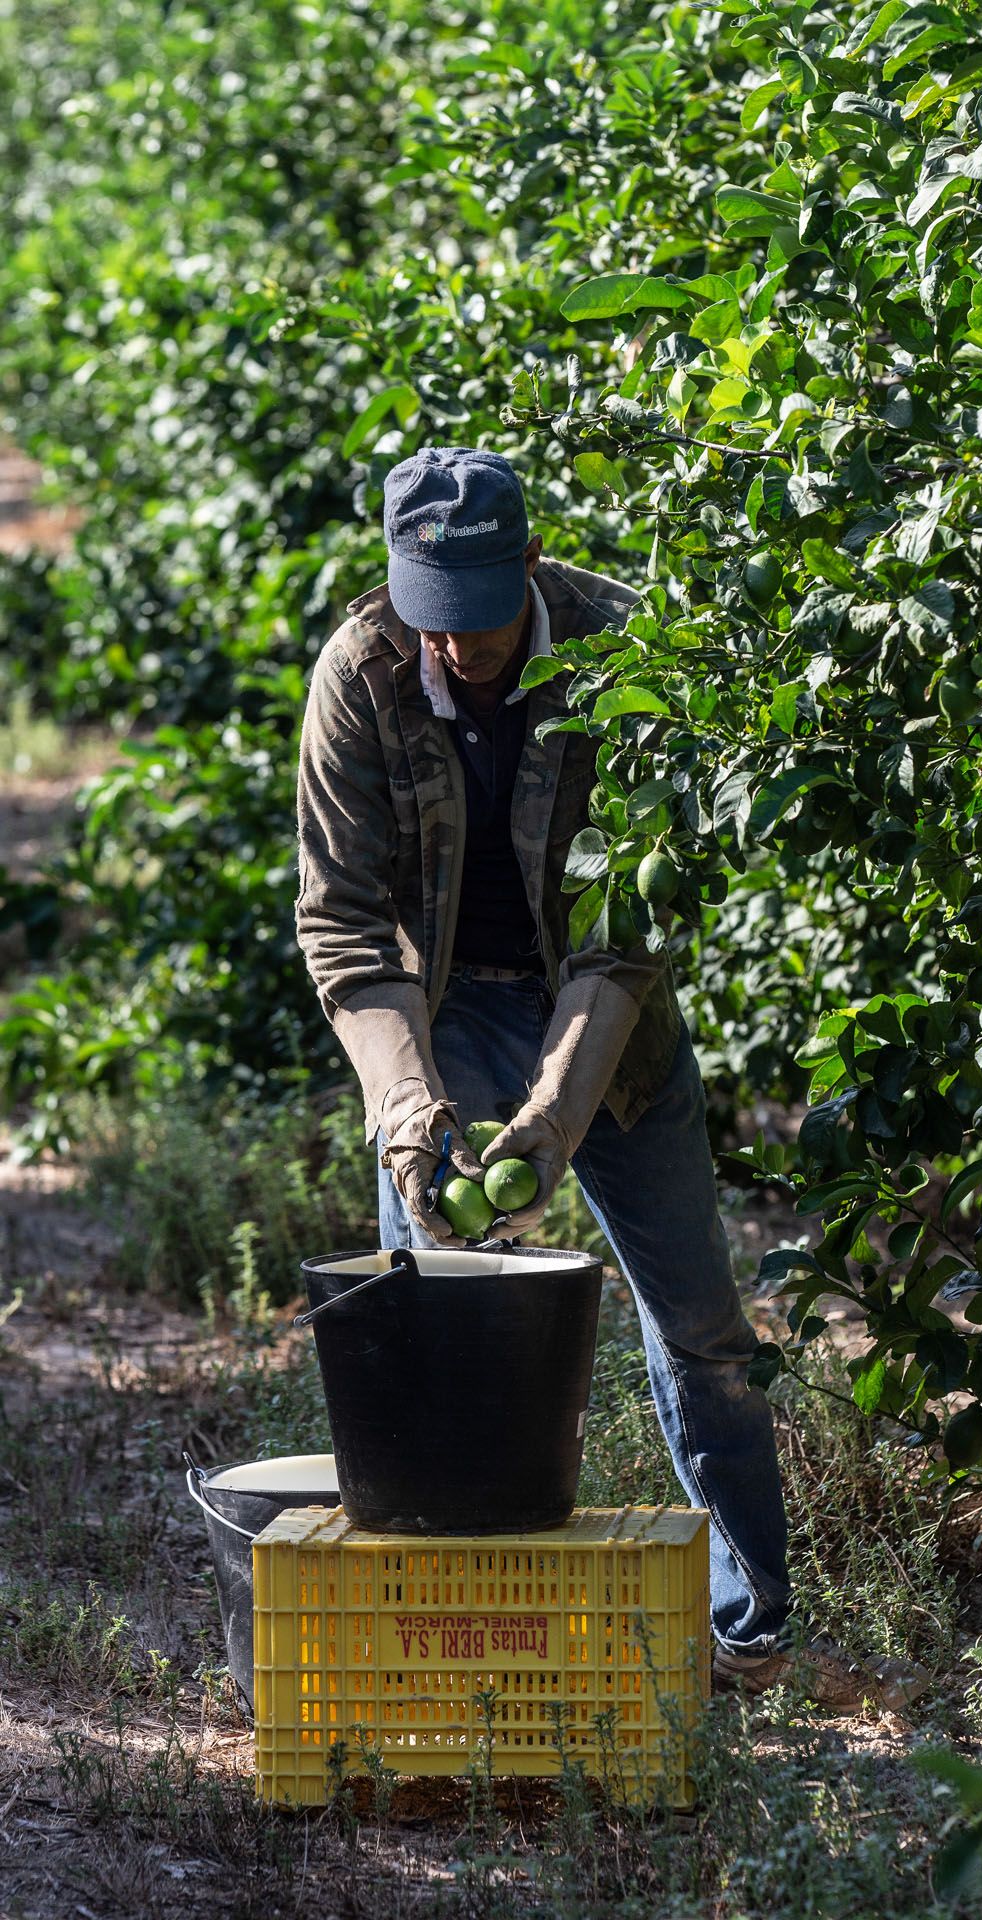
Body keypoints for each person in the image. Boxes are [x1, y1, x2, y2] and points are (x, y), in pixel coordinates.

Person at [293, 444, 929, 1713]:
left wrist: (554, 1111)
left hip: (606, 1019)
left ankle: (749, 1626)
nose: (458, 648)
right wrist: (408, 1108)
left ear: (530, 564)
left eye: (479, 621)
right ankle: (446, 1638)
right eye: (434, 620)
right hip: (436, 1009)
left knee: (701, 1331)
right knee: (429, 1327)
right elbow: (346, 927)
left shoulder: (621, 653)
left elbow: (627, 930)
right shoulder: (359, 676)